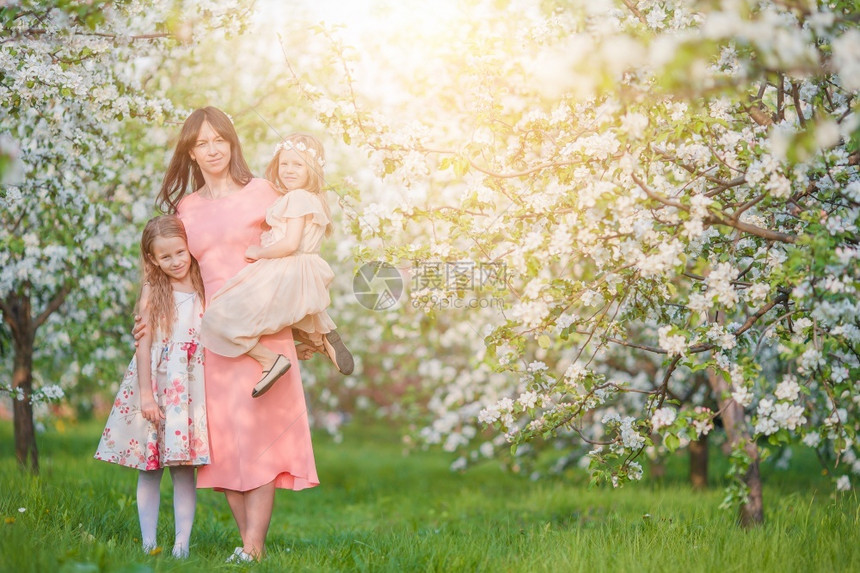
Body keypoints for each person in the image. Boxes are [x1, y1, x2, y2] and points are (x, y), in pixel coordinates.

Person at [150, 106, 320, 562]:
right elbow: (177, 271)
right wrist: (153, 315)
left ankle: (253, 547)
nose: (212, 150)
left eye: (218, 140)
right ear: (190, 152)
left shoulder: (264, 192)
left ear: (231, 143)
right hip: (215, 332)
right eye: (201, 143)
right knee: (223, 440)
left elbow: (297, 248)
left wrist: (306, 322)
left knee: (259, 435)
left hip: (263, 328)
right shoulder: (186, 209)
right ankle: (248, 547)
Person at [200, 133, 354, 398]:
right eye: (285, 164)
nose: (289, 170)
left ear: (312, 169)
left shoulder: (297, 198)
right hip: (304, 272)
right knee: (286, 312)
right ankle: (321, 337)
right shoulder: (313, 199)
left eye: (298, 164)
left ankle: (269, 360)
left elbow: (290, 243)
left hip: (285, 267)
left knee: (218, 317)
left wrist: (259, 251)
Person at [95, 215, 209, 559]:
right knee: (151, 466)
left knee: (183, 467)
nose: (175, 261)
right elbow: (143, 345)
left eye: (180, 252)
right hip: (157, 383)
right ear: (152, 259)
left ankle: (181, 546)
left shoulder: (204, 283)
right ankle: (147, 544)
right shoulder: (153, 289)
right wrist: (146, 394)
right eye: (165, 256)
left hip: (189, 387)